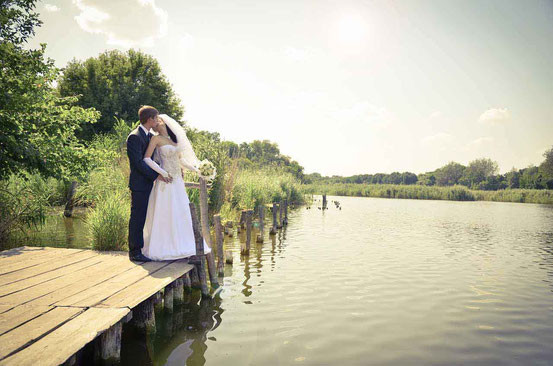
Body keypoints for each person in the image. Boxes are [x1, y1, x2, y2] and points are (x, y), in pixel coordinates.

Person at [141, 114, 211, 260]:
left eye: (158, 121)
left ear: (166, 123)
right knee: (165, 212)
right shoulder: (156, 139)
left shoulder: (174, 141)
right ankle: (164, 246)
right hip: (165, 180)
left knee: (181, 211)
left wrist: (196, 169)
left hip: (178, 181)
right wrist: (162, 172)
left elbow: (181, 161)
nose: (156, 124)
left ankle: (182, 243)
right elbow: (147, 158)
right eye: (155, 121)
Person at [126, 106, 171, 262]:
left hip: (147, 184)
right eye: (156, 118)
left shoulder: (150, 136)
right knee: (137, 218)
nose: (157, 120)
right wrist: (156, 175)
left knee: (144, 217)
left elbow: (153, 158)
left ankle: (141, 248)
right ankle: (134, 252)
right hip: (139, 185)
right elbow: (138, 163)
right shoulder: (134, 137)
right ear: (150, 119)